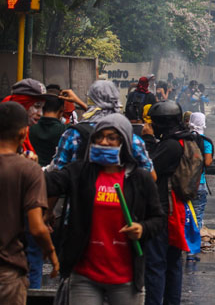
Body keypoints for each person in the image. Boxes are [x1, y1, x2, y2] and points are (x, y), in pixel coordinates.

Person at [45, 114, 164, 305]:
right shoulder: (79, 172)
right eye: (98, 137)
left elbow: (158, 218)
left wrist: (142, 228)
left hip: (126, 277)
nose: (104, 142)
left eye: (111, 137)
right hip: (84, 274)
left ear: (124, 141)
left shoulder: (140, 179)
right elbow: (50, 183)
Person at [0, 102, 58, 305]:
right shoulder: (29, 170)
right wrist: (51, 253)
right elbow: (36, 227)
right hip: (8, 271)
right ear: (24, 133)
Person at [142, 101, 195, 305]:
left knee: (156, 264)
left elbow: (148, 167)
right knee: (173, 264)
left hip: (165, 209)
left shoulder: (170, 145)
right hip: (176, 208)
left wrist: (147, 139)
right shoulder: (184, 139)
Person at [50, 80, 155, 174]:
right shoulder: (127, 136)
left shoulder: (73, 134)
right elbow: (150, 174)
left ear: (91, 99)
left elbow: (57, 171)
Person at [187, 112, 213, 260]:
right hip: (200, 183)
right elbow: (208, 162)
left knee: (184, 216)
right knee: (197, 217)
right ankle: (192, 249)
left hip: (184, 183)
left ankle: (182, 244)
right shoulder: (205, 142)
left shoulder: (184, 139)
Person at [29, 94, 66, 167]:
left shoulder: (30, 129)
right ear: (62, 109)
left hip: (35, 170)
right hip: (56, 174)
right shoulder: (66, 130)